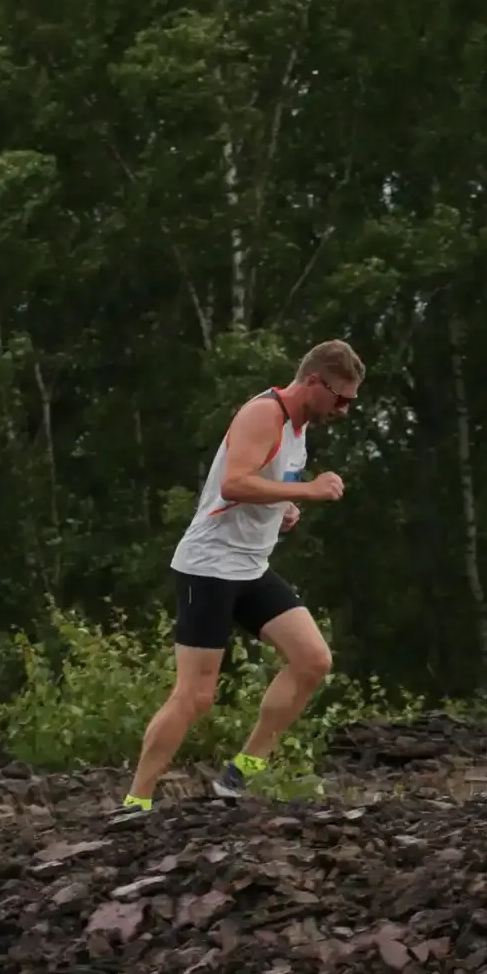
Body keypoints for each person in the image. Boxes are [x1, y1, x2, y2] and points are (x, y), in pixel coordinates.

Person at [122, 340, 363, 811]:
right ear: (314, 382)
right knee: (195, 696)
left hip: (250, 567)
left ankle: (241, 771)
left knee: (313, 659)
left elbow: (254, 484)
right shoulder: (264, 413)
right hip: (209, 566)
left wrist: (284, 505)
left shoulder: (298, 428)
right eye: (340, 398)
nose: (345, 410)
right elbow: (234, 482)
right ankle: (136, 802)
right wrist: (306, 490)